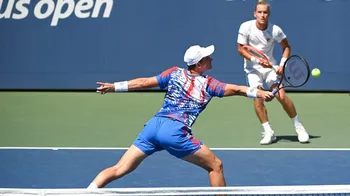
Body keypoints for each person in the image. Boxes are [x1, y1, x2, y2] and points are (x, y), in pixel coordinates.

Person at [87, 44, 274, 189]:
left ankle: (87, 191)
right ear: (199, 64)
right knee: (215, 166)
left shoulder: (174, 73)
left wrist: (113, 86)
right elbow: (235, 89)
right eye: (207, 57)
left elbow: (143, 82)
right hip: (174, 131)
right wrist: (258, 93)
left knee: (120, 168)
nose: (212, 59)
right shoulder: (208, 83)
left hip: (153, 126)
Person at [236, 0, 309, 145]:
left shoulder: (275, 29)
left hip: (271, 68)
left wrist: (281, 65)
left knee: (281, 95)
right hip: (252, 69)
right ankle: (269, 131)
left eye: (265, 12)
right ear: (255, 13)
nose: (262, 15)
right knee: (258, 98)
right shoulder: (246, 27)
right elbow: (241, 49)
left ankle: (298, 126)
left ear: (268, 14)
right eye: (260, 12)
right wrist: (257, 61)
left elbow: (286, 47)